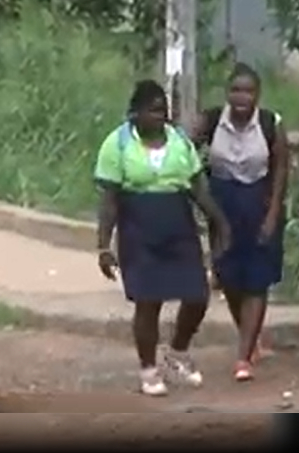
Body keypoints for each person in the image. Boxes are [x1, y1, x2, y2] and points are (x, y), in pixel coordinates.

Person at [94, 80, 231, 397]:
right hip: (138, 228)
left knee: (197, 294)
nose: (160, 117)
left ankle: (177, 353)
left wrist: (220, 221)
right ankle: (148, 370)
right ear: (135, 112)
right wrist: (103, 244)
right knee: (148, 302)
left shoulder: (179, 141)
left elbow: (197, 187)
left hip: (177, 224)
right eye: (153, 111)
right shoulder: (117, 144)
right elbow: (110, 199)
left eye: (164, 112)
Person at [193, 63, 289, 381]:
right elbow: (184, 151)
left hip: (259, 201)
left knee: (257, 279)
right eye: (235, 90)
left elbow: (280, 171)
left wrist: (273, 214)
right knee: (229, 275)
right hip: (223, 203)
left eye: (248, 90)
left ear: (258, 94)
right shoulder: (210, 121)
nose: (241, 97)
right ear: (226, 93)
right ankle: (248, 335)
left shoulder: (270, 123)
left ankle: (244, 356)